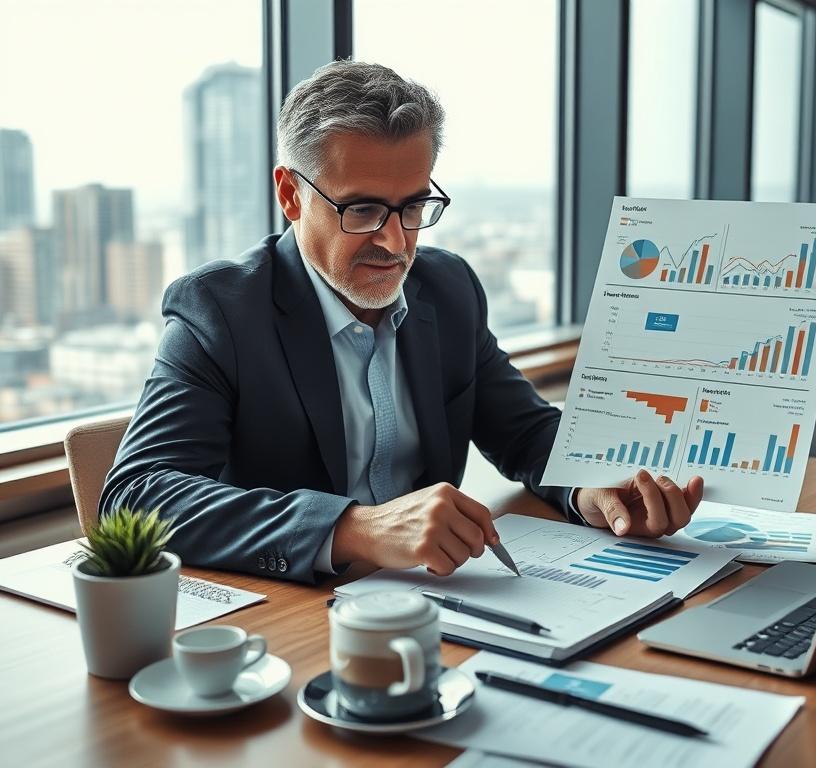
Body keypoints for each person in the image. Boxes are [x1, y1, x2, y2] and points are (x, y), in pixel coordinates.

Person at [100, 60, 703, 583]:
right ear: (290, 196)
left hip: (441, 599)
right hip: (297, 615)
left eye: (414, 206)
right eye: (361, 209)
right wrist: (353, 528)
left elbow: (523, 431)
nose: (394, 241)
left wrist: (590, 485)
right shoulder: (221, 311)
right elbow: (138, 496)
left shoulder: (449, 288)